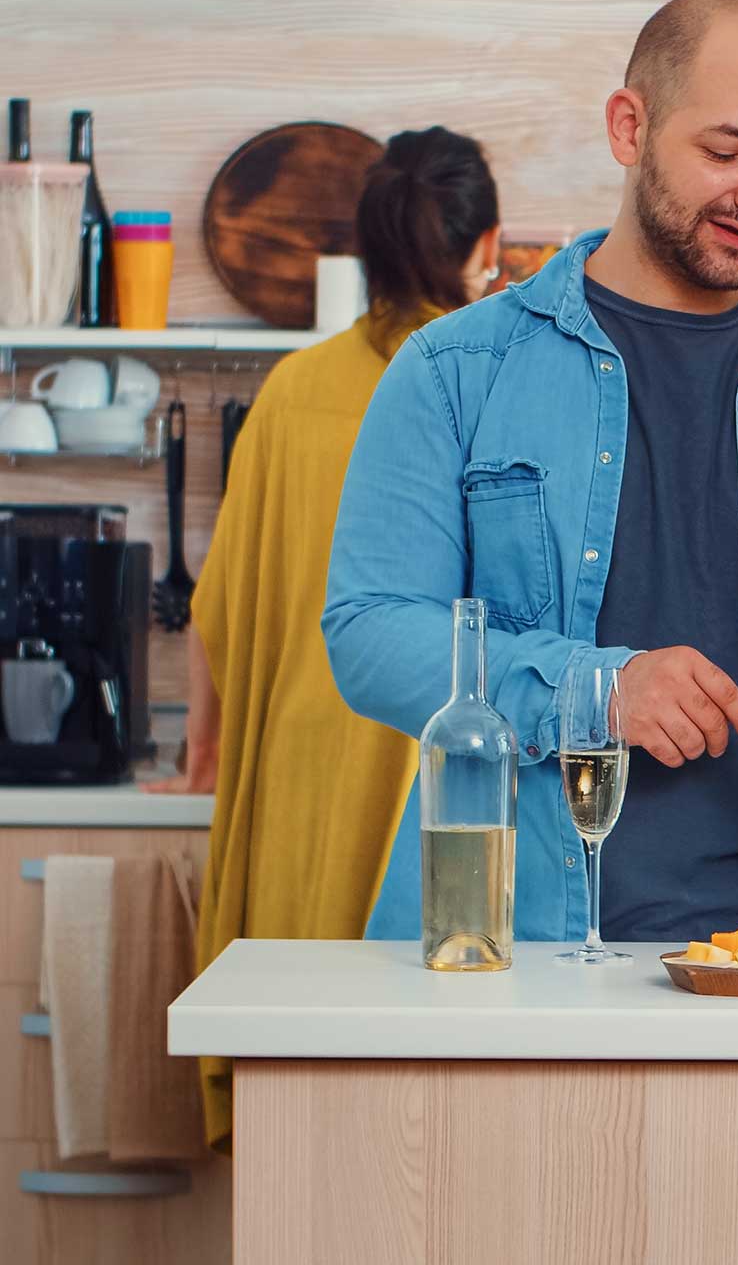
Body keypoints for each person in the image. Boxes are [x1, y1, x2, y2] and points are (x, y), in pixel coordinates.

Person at [323, 0, 738, 946]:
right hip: (508, 952)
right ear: (631, 126)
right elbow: (370, 634)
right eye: (726, 151)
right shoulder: (455, 370)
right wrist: (596, 688)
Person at [143, 127, 501, 1147]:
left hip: (306, 779)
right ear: (489, 246)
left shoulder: (296, 392)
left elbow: (220, 601)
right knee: (437, 1120)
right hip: (446, 789)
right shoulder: (490, 387)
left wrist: (203, 755)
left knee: (307, 1110)